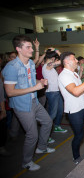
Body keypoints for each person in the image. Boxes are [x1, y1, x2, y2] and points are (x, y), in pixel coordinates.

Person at [2, 35, 54, 171]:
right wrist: (35, 87)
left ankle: (41, 148)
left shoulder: (30, 63)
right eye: (28, 47)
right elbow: (10, 92)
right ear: (19, 49)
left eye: (32, 46)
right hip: (22, 105)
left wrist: (40, 82)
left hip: (34, 101)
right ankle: (26, 162)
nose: (31, 50)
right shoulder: (11, 67)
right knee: (32, 134)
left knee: (48, 122)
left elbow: (32, 82)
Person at [42, 48, 68, 140]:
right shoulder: (48, 65)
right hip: (52, 93)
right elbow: (64, 60)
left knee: (60, 111)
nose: (55, 59)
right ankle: (46, 135)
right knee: (52, 114)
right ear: (52, 57)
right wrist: (57, 51)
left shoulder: (50, 67)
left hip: (57, 92)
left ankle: (56, 126)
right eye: (54, 57)